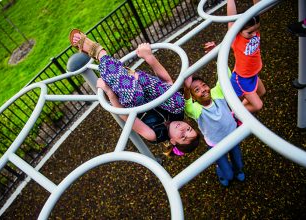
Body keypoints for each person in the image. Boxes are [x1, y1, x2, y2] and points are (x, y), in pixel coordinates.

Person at [69, 28, 200, 155]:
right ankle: (126, 74)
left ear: (173, 141)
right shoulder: (179, 113)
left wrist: (109, 92)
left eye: (182, 136)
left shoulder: (154, 134)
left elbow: (126, 116)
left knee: (136, 97)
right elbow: (167, 82)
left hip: (129, 93)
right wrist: (149, 57)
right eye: (188, 129)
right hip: (142, 81)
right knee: (178, 103)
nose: (183, 129)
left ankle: (99, 52)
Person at [183, 73, 245, 186]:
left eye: (204, 85)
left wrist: (217, 56)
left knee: (238, 162)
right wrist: (186, 89)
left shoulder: (217, 93)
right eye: (197, 90)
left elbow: (225, 75)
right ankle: (221, 172)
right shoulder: (196, 110)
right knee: (228, 174)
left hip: (233, 136)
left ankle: (238, 170)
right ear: (193, 97)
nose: (203, 90)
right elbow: (188, 107)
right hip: (216, 144)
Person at [205, 0, 266, 113]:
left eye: (256, 29)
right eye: (250, 32)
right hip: (242, 78)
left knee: (262, 92)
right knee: (258, 105)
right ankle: (235, 114)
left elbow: (259, 7)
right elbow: (231, 17)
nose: (254, 34)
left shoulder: (254, 30)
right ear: (238, 30)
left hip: (253, 74)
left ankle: (238, 108)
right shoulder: (235, 39)